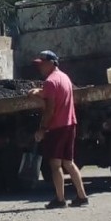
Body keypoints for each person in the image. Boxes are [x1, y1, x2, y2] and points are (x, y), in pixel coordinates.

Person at [29, 50, 89, 208]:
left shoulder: (49, 82)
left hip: (57, 127)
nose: (40, 67)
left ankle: (60, 199)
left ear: (51, 63)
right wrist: (39, 93)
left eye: (42, 64)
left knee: (55, 165)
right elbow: (55, 94)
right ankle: (82, 196)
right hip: (70, 124)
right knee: (69, 162)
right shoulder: (64, 77)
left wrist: (42, 129)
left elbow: (50, 108)